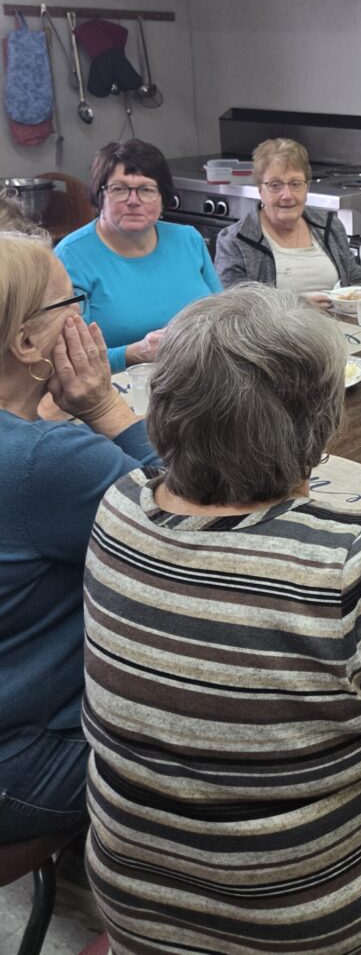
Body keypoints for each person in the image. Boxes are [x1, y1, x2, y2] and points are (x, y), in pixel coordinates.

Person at [81, 282, 361, 954]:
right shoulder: (360, 569)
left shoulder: (119, 508)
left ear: (163, 408)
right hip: (311, 930)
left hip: (138, 916)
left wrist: (335, 533)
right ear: (321, 425)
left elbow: (237, 562)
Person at [0, 233, 158, 844]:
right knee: (222, 750)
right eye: (72, 303)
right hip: (23, 763)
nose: (84, 318)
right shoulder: (47, 462)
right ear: (26, 342)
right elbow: (191, 530)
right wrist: (104, 408)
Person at [54, 139, 221, 373]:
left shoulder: (188, 240)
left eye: (146, 190)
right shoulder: (70, 257)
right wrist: (133, 353)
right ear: (100, 196)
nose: (133, 201)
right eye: (119, 189)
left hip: (197, 379)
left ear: (163, 197)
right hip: (112, 391)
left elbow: (222, 317)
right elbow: (69, 356)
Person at [215, 137, 361, 304]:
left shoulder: (330, 226)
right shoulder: (234, 242)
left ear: (307, 187)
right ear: (260, 190)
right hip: (276, 331)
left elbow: (357, 283)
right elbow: (236, 309)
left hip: (341, 327)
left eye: (295, 184)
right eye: (275, 185)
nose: (287, 195)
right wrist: (299, 305)